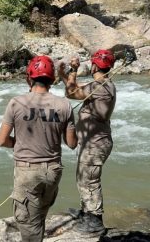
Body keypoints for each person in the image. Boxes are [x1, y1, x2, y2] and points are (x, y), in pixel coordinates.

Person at [0, 55, 78, 241]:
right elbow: (72, 144)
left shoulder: (15, 103)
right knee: (39, 217)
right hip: (53, 172)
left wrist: (17, 143)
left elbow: (2, 141)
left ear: (29, 77)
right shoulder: (65, 104)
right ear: (52, 79)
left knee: (29, 225)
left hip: (27, 172)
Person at [58, 49, 116, 234]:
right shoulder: (103, 85)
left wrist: (73, 70)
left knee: (89, 181)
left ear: (94, 66)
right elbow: (76, 88)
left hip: (95, 143)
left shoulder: (99, 87)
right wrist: (63, 75)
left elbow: (72, 93)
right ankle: (86, 212)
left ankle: (95, 221)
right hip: (95, 141)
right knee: (83, 177)